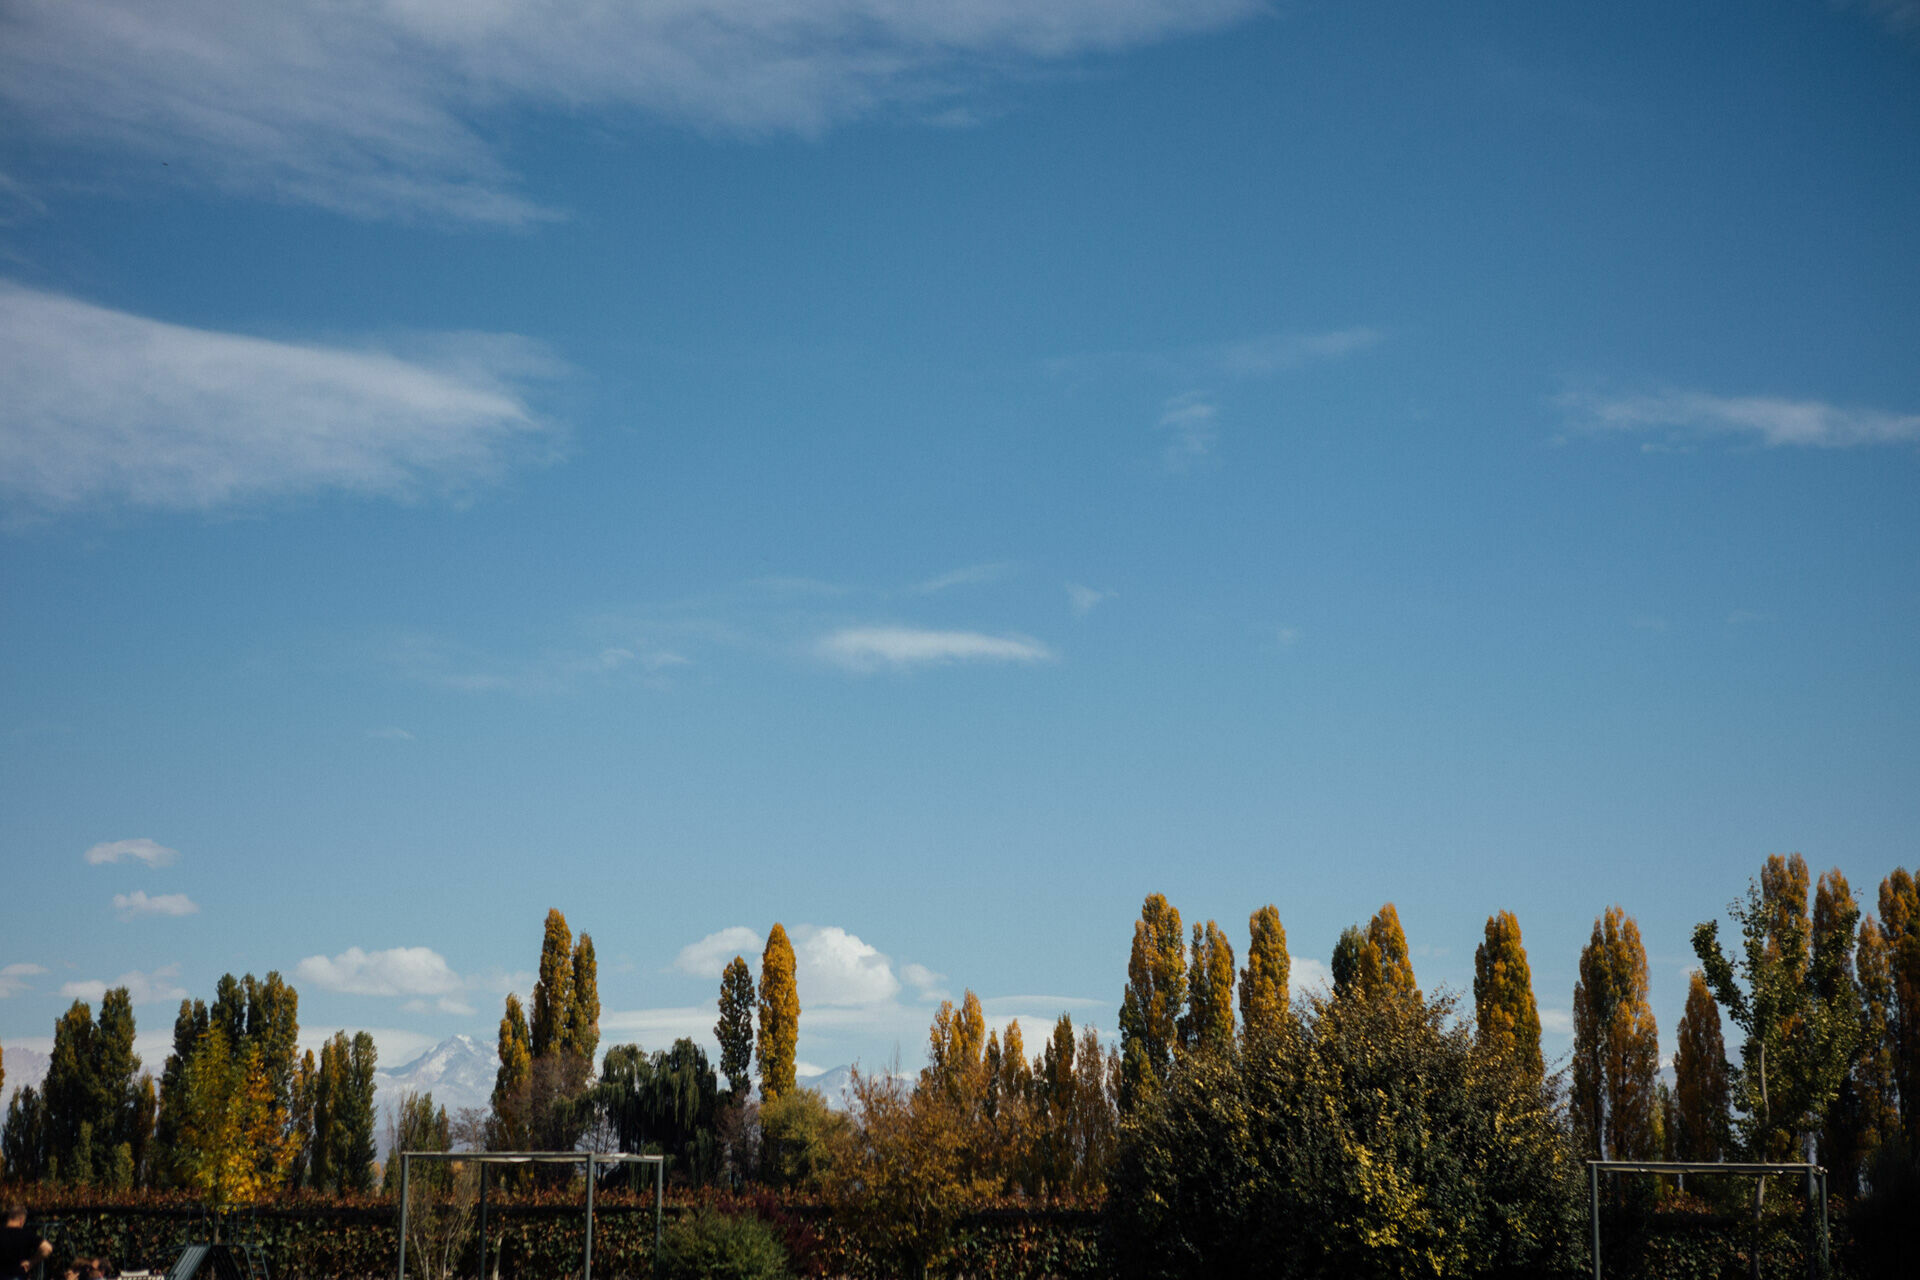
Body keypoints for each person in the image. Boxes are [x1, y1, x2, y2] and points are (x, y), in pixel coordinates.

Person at [0, 1205, 51, 1278]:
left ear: (9, 1217)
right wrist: (31, 1262)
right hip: (18, 1275)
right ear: (21, 1221)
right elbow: (47, 1248)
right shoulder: (26, 1234)